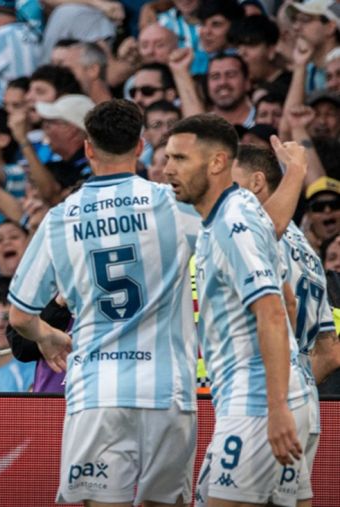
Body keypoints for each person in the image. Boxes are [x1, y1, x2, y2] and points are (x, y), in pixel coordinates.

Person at [8, 100, 200, 505]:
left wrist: (48, 335)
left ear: (88, 149)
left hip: (98, 391)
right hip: (168, 390)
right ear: (142, 146)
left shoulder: (61, 217)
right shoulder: (172, 205)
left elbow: (20, 317)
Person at [163, 114, 310, 505]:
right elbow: (272, 228)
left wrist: (276, 408)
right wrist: (295, 171)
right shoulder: (240, 205)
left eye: (179, 159)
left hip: (257, 406)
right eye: (167, 158)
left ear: (216, 163)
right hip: (276, 398)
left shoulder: (230, 222)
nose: (167, 169)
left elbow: (275, 311)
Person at [232, 143, 340, 503]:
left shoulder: (258, 235)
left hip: (266, 397)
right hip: (305, 400)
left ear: (257, 183)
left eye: (230, 182)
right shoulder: (307, 249)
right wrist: (296, 375)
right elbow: (330, 353)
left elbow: (282, 308)